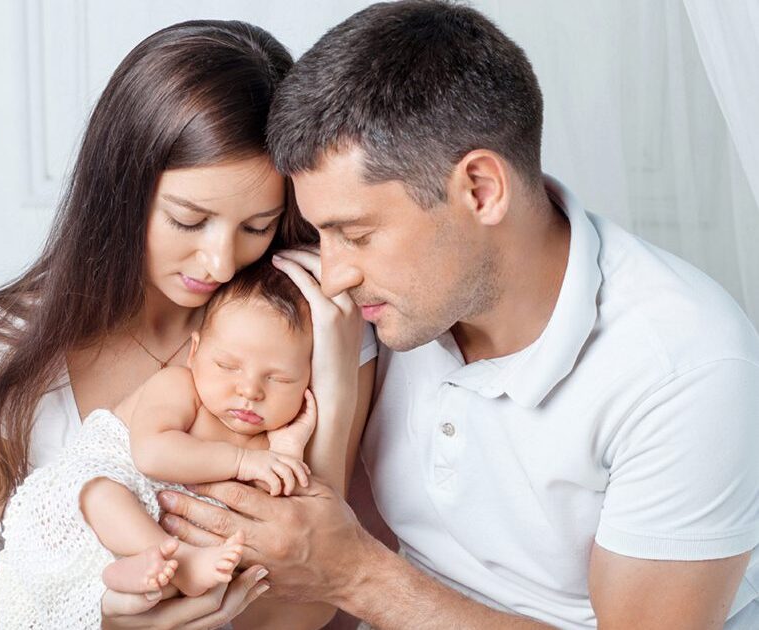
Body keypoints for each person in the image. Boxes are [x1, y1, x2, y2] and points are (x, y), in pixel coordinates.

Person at [155, 2, 759, 629]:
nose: (332, 275)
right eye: (322, 234)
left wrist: (358, 574)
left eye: (356, 235)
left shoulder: (686, 367)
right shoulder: (369, 309)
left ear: (481, 190)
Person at [0, 20, 376, 630]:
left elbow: (308, 609)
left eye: (257, 226)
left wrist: (337, 387)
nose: (219, 263)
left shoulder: (317, 333)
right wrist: (96, 620)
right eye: (189, 220)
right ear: (121, 190)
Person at [0, 262, 320, 628]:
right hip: (91, 501)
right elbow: (153, 455)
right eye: (228, 366)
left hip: (152, 551)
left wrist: (287, 450)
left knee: (167, 587)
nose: (250, 390)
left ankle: (120, 580)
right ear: (195, 352)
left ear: (307, 381)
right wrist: (241, 462)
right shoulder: (180, 387)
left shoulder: (266, 445)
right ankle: (170, 564)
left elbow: (273, 522)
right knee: (105, 494)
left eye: (280, 379)